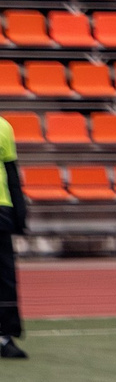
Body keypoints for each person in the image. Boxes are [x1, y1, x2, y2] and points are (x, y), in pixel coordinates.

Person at [0, 114, 30, 360]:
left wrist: (20, 213)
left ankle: (4, 337)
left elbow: (11, 172)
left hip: (0, 209)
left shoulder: (3, 128)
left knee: (5, 278)